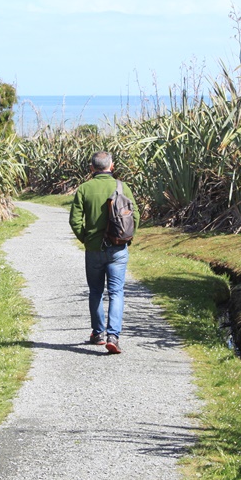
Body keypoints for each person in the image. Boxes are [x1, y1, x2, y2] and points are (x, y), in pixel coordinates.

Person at [68, 151, 140, 354]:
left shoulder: (84, 189)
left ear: (92, 168)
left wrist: (87, 239)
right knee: (116, 292)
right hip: (118, 248)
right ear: (112, 166)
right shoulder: (122, 186)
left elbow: (75, 220)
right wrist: (127, 238)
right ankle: (113, 336)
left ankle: (98, 333)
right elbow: (136, 216)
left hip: (93, 250)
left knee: (96, 291)